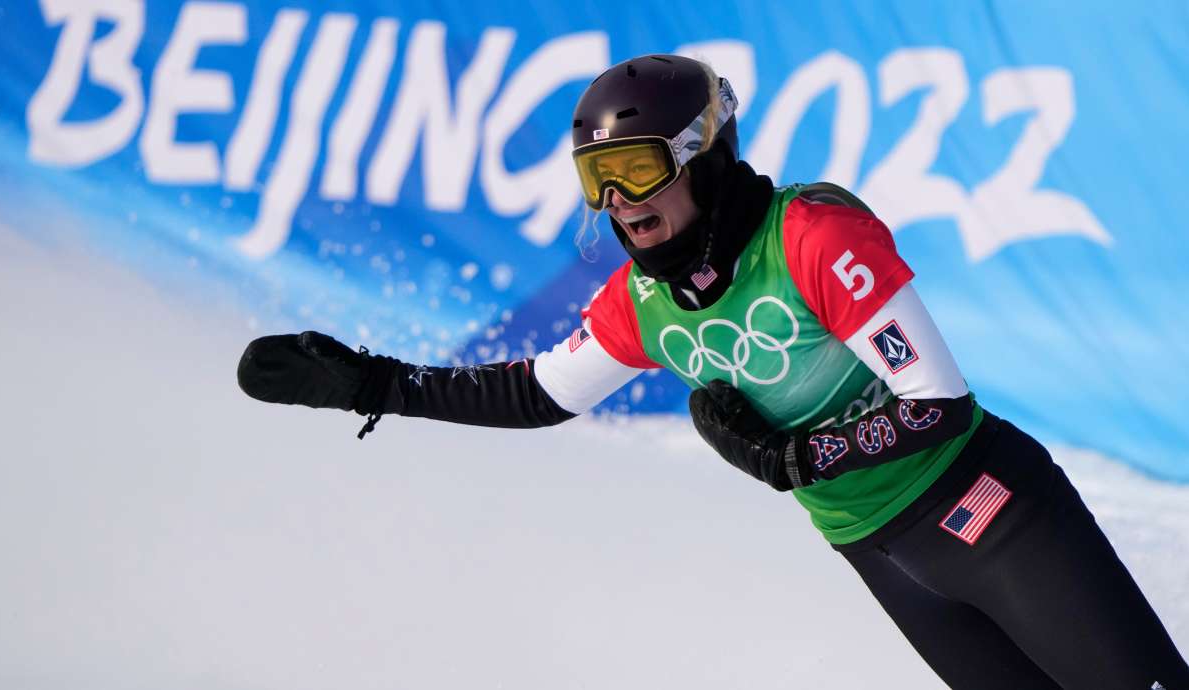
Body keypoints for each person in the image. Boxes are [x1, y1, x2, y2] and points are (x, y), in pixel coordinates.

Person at [236, 54, 1188, 689]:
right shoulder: (641, 304)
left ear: (704, 154)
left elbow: (938, 406)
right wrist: (377, 385)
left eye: (640, 169)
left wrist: (796, 462)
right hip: (886, 557)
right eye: (595, 180)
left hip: (987, 511)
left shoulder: (813, 236)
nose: (619, 202)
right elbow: (533, 394)